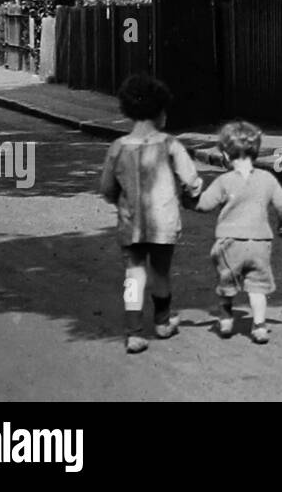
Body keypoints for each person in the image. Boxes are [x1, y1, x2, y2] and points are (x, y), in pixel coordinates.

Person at [98, 74, 202, 355]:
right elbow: (191, 181)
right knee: (161, 272)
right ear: (159, 112)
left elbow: (107, 188)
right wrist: (192, 197)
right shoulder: (170, 145)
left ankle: (133, 332)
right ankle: (162, 321)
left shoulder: (117, 148)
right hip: (163, 225)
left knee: (133, 275)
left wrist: (119, 199)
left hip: (130, 225)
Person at [195, 121, 282, 344]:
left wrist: (189, 198)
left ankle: (227, 318)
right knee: (257, 287)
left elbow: (205, 205)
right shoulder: (268, 179)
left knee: (226, 281)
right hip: (259, 243)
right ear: (255, 153)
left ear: (226, 156)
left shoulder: (224, 181)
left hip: (230, 244)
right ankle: (259, 325)